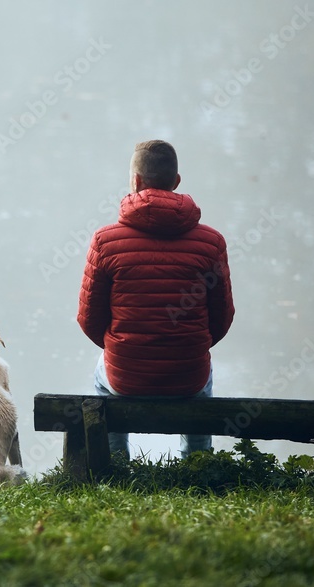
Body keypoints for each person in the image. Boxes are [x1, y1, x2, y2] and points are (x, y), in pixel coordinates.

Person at [77, 140, 234, 460]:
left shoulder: (104, 241)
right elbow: (221, 319)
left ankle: (117, 464)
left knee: (101, 373)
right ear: (176, 182)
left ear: (135, 181)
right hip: (188, 375)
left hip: (126, 374)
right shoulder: (212, 242)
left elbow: (89, 320)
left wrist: (121, 346)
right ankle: (197, 466)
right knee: (204, 373)